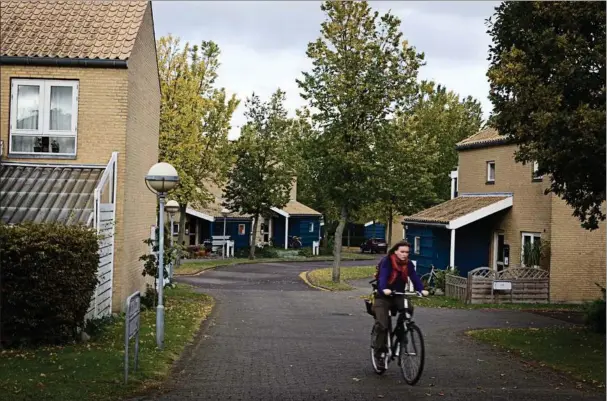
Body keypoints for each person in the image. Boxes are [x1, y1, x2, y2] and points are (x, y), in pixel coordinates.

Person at [371, 240, 425, 363]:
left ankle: (402, 331)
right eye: (402, 251)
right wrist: (384, 289)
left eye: (407, 252)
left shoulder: (408, 264)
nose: (405, 254)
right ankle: (379, 352)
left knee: (408, 309)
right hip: (383, 296)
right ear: (395, 251)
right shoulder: (387, 261)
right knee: (382, 325)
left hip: (398, 294)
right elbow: (383, 277)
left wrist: (421, 289)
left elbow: (414, 278)